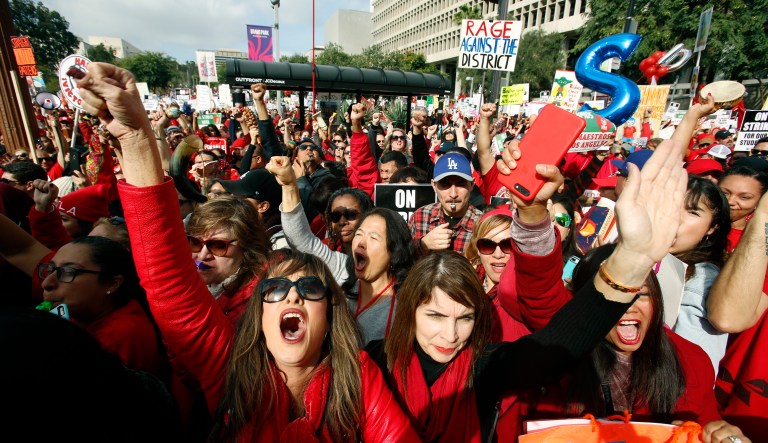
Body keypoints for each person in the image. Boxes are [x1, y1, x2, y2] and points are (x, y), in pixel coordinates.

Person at [79, 62, 420, 442]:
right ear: (258, 312)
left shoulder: (358, 374)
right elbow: (169, 283)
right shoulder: (229, 366)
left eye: (310, 288)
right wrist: (136, 140)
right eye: (274, 290)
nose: (292, 294)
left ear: (332, 312)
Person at [515, 244, 748, 442]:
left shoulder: (690, 361)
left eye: (640, 294)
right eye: (613, 298)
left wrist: (725, 437)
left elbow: (709, 428)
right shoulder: (553, 364)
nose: (627, 306)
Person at [269, 156, 416, 344]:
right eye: (359, 234)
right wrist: (289, 185)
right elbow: (301, 239)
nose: (361, 242)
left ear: (394, 248)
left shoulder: (409, 300)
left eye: (373, 237)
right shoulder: (342, 268)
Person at [670, 176, 731, 373]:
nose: (675, 218)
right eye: (671, 204)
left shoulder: (702, 280)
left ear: (712, 228)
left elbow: (693, 373)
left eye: (693, 212)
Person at [409, 151, 483, 254]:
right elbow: (403, 261)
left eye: (460, 184)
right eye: (445, 185)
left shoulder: (482, 224)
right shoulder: (420, 217)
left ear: (472, 184)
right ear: (434, 186)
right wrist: (422, 245)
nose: (453, 194)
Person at [717, 166, 768, 252]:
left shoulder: (761, 239)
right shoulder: (695, 225)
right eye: (724, 193)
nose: (730, 201)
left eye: (744, 197)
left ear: (759, 202)